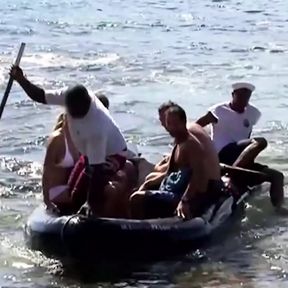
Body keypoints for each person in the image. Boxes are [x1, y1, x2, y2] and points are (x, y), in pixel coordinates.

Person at [10, 65, 128, 216]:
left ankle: (94, 214)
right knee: (73, 192)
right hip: (87, 152)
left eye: (80, 115)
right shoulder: (66, 95)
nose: (76, 118)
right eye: (73, 113)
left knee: (83, 193)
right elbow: (39, 95)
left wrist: (89, 203)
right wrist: (21, 79)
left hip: (113, 153)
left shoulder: (97, 126)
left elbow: (96, 171)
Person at [196, 82, 285, 211]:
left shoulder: (253, 112)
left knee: (277, 176)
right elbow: (195, 128)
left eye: (247, 96)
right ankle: (231, 175)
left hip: (241, 157)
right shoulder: (219, 110)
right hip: (223, 154)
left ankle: (279, 209)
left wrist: (249, 161)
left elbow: (247, 135)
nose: (244, 99)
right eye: (241, 96)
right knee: (260, 142)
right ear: (233, 95)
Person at [130, 104, 224, 219]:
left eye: (175, 124)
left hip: (184, 195)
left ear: (184, 122)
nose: (171, 127)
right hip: (172, 188)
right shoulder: (178, 143)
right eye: (168, 123)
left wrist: (185, 201)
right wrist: (147, 184)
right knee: (144, 188)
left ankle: (139, 230)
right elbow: (169, 173)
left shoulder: (192, 145)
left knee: (136, 198)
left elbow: (199, 178)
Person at [42, 113, 80, 211]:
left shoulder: (79, 137)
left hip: (73, 189)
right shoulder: (57, 139)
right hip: (56, 191)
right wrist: (47, 202)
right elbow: (46, 172)